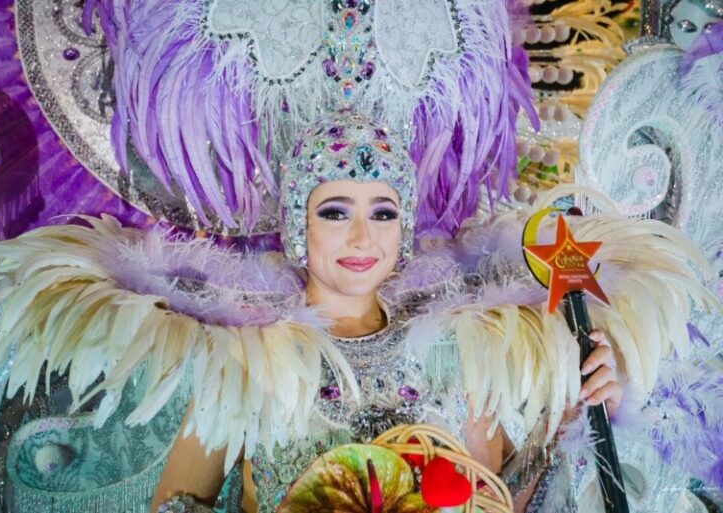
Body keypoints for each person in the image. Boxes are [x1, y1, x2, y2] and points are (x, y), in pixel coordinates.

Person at [150, 115, 623, 512]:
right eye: (335, 213)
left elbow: (511, 500)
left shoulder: (453, 351)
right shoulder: (247, 363)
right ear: (298, 227)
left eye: (383, 214)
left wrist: (575, 420)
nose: (362, 237)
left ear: (404, 230)